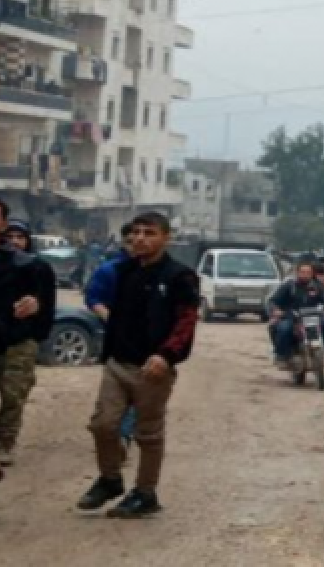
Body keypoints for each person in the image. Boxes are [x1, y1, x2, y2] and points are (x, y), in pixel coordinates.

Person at [77, 211, 199, 518]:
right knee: (103, 424)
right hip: (118, 362)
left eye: (150, 233)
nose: (141, 239)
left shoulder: (179, 276)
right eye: (137, 232)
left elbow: (186, 322)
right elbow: (99, 301)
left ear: (166, 237)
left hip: (154, 367)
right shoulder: (122, 271)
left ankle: (145, 493)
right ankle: (110, 479)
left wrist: (167, 355)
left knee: (148, 434)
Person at [0, 197, 41, 492]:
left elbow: (43, 304)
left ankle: (1, 442)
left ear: (1, 224)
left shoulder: (24, 265)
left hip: (0, 348)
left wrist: (35, 305)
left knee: (7, 397)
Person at [0, 220, 56, 466]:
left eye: (21, 237)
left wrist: (36, 333)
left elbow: (47, 305)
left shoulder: (37, 268)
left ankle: (5, 440)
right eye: (10, 236)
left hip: (21, 342)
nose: (15, 241)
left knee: (13, 394)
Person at [85, 222, 137, 449]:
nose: (138, 243)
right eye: (131, 239)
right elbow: (93, 298)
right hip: (116, 337)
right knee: (116, 385)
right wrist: (112, 319)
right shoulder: (110, 270)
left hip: (151, 341)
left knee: (139, 388)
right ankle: (111, 429)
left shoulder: (165, 272)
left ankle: (124, 434)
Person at [268, 263, 324, 365]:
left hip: (313, 316)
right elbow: (273, 301)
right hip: (292, 316)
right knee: (284, 328)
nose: (305, 275)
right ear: (297, 273)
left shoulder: (317, 286)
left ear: (312, 274)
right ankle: (282, 356)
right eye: (303, 272)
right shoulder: (289, 286)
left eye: (308, 272)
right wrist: (275, 310)